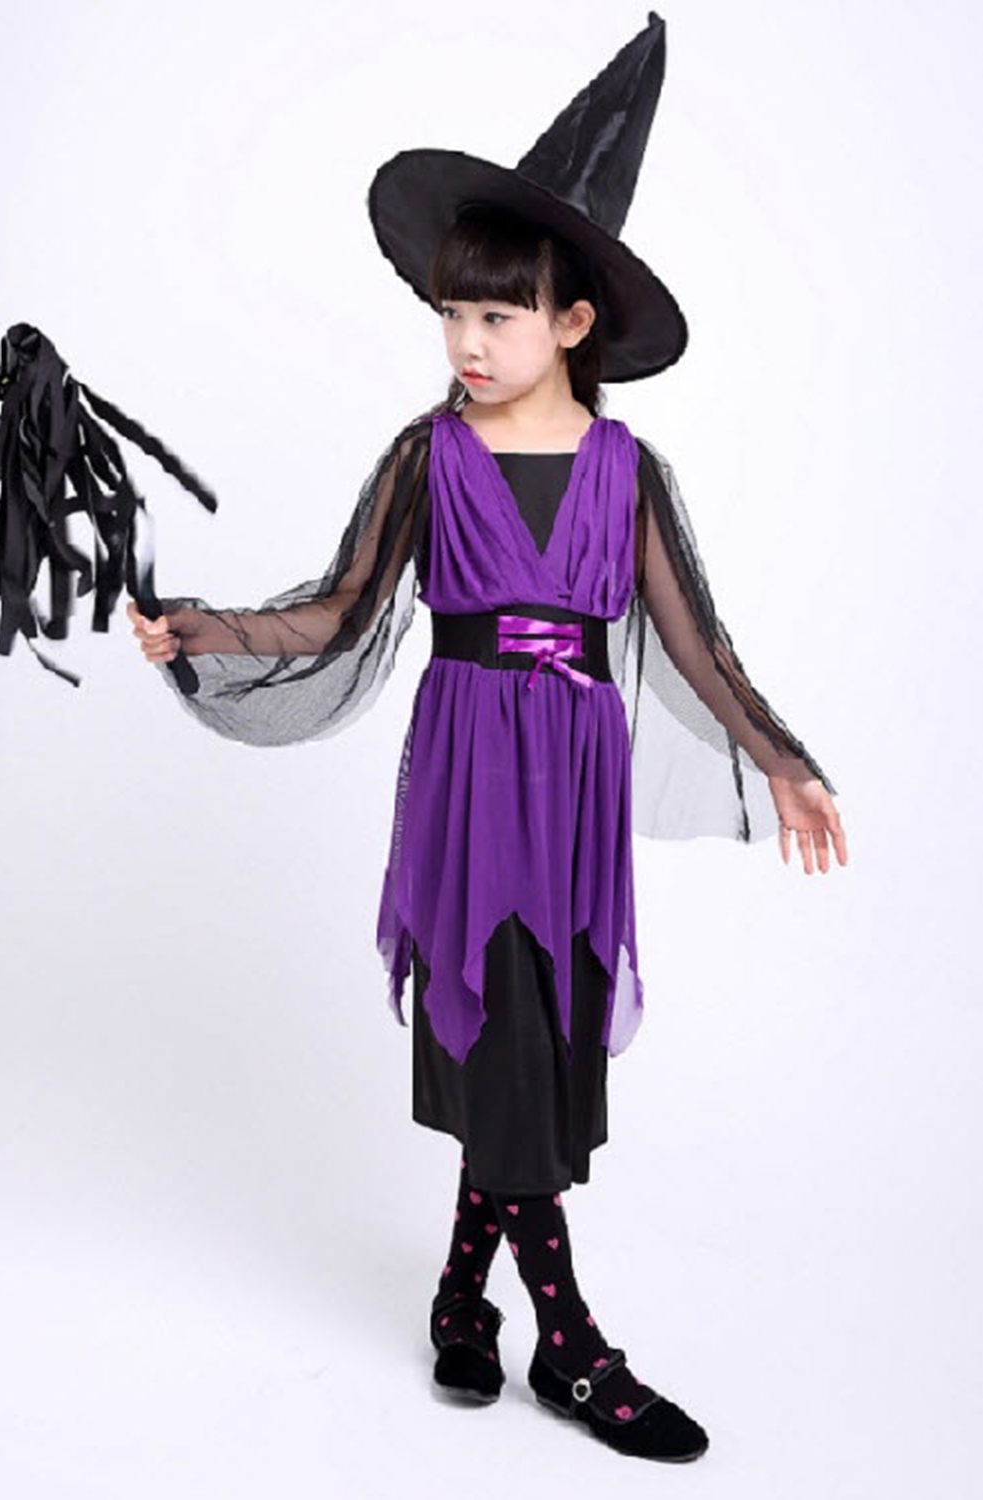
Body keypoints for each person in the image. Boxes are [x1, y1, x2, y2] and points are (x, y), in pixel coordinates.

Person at [126, 13, 847, 1465]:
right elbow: (338, 611)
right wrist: (204, 628)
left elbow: (692, 644)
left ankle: (464, 1292)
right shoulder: (428, 455)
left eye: (497, 318)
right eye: (451, 315)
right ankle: (573, 1350)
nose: (465, 343)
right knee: (499, 1033)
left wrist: (780, 758)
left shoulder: (625, 470)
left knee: (533, 1040)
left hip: (569, 786)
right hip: (466, 785)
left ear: (572, 325)